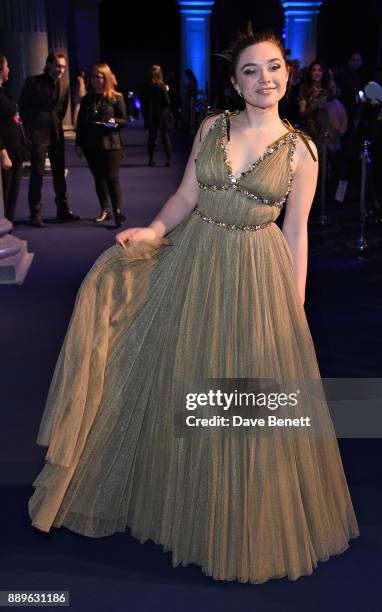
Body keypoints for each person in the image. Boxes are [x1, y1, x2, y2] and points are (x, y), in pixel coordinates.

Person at [28, 29, 359, 584]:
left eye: (274, 67)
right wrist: (153, 230)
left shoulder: (301, 150)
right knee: (172, 373)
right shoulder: (214, 127)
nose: (264, 79)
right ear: (235, 81)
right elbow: (186, 195)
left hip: (258, 276)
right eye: (251, 70)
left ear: (288, 73)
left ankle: (240, 521)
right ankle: (175, 504)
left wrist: (295, 306)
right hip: (194, 260)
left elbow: (297, 232)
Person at [19, 52, 80, 227]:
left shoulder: (65, 85)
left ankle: (63, 209)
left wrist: (54, 123)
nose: (61, 69)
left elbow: (61, 110)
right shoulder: (33, 82)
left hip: (56, 133)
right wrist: (30, 129)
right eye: (58, 66)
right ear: (48, 65)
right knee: (37, 174)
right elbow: (23, 107)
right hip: (38, 133)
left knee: (59, 173)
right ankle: (35, 213)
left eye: (63, 66)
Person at [75, 63, 128, 227]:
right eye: (93, 76)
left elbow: (124, 120)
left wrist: (111, 123)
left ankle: (118, 212)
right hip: (91, 144)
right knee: (99, 178)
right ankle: (105, 209)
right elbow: (81, 123)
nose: (96, 80)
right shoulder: (87, 99)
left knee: (112, 178)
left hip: (111, 144)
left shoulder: (116, 97)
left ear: (106, 78)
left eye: (99, 76)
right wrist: (78, 144)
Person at [0, 53, 26, 224]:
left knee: (12, 197)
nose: (9, 69)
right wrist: (3, 153)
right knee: (5, 195)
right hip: (6, 153)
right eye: (7, 65)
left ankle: (8, 227)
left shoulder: (4, 91)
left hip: (16, 151)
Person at [142, 65, 172, 167]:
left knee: (152, 138)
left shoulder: (146, 85)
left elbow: (144, 101)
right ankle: (168, 160)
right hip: (162, 114)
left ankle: (151, 160)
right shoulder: (162, 86)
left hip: (151, 114)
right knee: (165, 137)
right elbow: (167, 102)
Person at [299, 61, 331, 153]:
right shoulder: (305, 90)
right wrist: (314, 106)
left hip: (325, 131)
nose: (317, 73)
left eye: (320, 70)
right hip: (309, 131)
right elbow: (301, 113)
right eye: (314, 70)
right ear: (310, 73)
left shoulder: (327, 91)